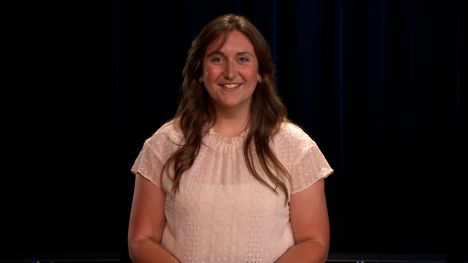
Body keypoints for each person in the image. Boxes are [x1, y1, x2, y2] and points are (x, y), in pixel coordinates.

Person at [128, 13, 333, 263]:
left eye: (243, 59)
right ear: (200, 72)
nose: (230, 72)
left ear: (260, 73)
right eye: (217, 59)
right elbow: (141, 240)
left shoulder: (296, 147)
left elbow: (314, 241)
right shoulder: (164, 144)